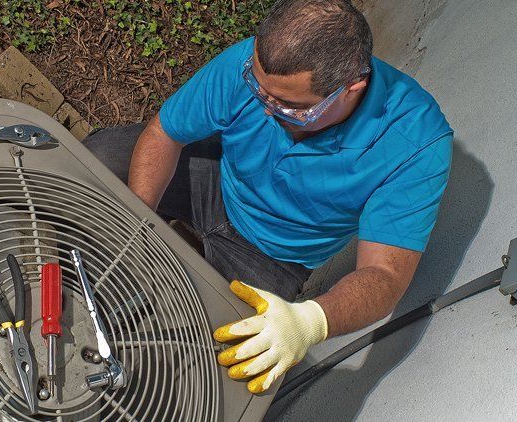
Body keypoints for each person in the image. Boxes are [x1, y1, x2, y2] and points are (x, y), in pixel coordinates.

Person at [83, 0, 452, 394]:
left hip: (274, 256)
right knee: (102, 157)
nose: (267, 107)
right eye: (259, 91)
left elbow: (385, 277)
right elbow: (165, 133)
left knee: (222, 369)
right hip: (216, 179)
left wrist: (309, 323)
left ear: (351, 87)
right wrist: (135, 223)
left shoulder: (417, 142)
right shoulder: (256, 66)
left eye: (291, 107)